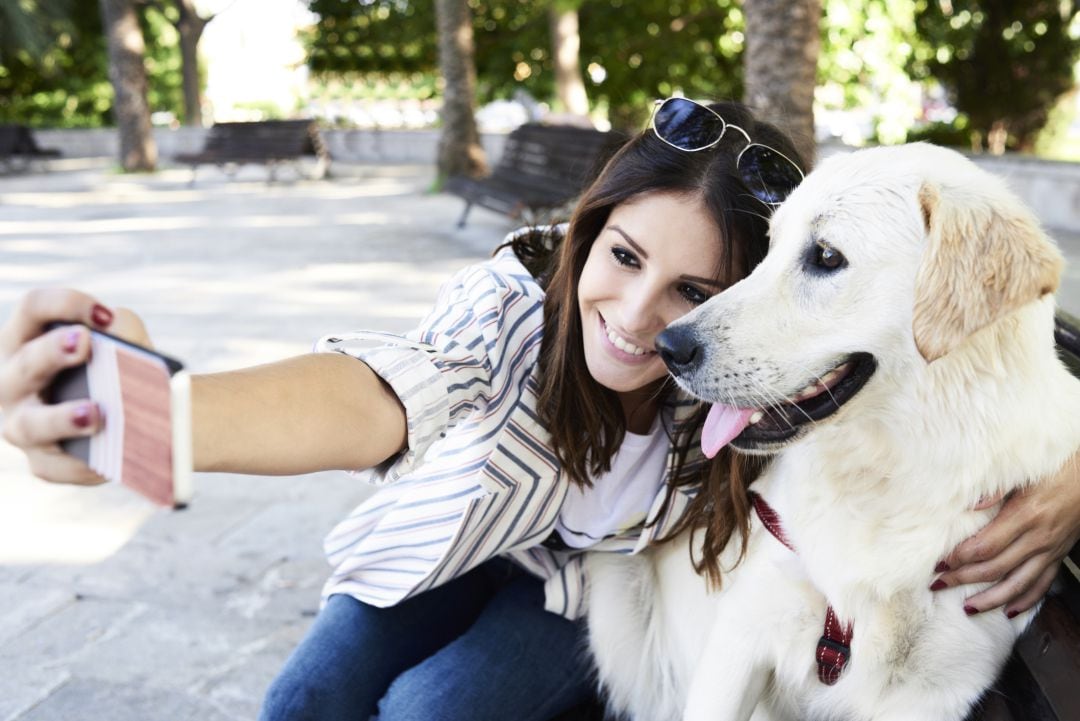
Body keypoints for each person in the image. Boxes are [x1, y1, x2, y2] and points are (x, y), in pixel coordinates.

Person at [0, 98, 1078, 721]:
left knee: (426, 715)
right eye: (622, 257)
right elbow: (376, 394)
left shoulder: (747, 387)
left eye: (693, 294)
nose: (643, 318)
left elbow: (989, 394)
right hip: (446, 552)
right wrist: (159, 417)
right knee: (304, 705)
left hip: (568, 594)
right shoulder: (512, 316)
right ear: (585, 233)